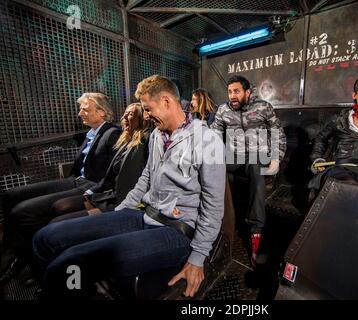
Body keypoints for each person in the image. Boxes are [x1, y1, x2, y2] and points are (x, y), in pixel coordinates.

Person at [32, 75, 226, 299]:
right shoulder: (157, 135)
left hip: (176, 230)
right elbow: (146, 177)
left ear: (166, 101)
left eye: (147, 109)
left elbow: (213, 205)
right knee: (47, 237)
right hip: (144, 215)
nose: (146, 115)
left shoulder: (207, 140)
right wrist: (119, 214)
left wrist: (198, 258)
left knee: (70, 263)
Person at [0, 93, 120, 284]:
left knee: (21, 212)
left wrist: (93, 192)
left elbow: (113, 173)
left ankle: (21, 259)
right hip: (76, 180)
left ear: (102, 112)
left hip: (89, 186)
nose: (80, 113)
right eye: (81, 109)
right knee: (9, 195)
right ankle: (19, 253)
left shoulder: (112, 133)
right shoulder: (93, 132)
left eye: (86, 109)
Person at [211, 75, 286, 267]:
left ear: (247, 92)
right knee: (211, 166)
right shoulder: (223, 110)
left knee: (255, 166)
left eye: (236, 91)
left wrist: (277, 158)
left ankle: (256, 233)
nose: (232, 96)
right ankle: (212, 223)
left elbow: (278, 132)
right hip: (234, 156)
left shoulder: (263, 107)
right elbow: (214, 137)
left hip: (257, 154)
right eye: (229, 92)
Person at [50, 103, 150, 222]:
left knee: (59, 219)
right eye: (124, 114)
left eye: (131, 114)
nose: (124, 118)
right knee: (60, 207)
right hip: (109, 195)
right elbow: (110, 177)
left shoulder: (145, 142)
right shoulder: (125, 142)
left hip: (121, 201)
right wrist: (93, 191)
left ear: (142, 118)